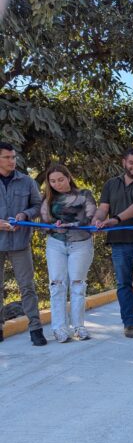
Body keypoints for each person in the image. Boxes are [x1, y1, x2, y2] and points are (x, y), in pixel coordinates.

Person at [92, 148, 133, 338]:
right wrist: (97, 220)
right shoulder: (111, 184)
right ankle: (129, 323)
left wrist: (116, 220)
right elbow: (103, 208)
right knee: (123, 284)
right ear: (124, 162)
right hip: (119, 242)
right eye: (132, 163)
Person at [40, 164, 97, 343]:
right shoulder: (48, 199)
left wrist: (71, 225)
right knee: (56, 284)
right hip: (56, 244)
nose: (57, 184)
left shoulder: (84, 195)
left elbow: (90, 217)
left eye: (61, 179)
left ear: (68, 177)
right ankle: (59, 328)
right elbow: (45, 221)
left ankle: (79, 327)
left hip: (80, 244)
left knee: (78, 284)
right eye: (53, 181)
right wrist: (53, 225)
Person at [0, 142, 46, 346]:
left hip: (20, 242)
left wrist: (24, 214)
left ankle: (35, 328)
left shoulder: (26, 181)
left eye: (13, 157)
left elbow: (38, 206)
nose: (12, 161)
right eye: (7, 157)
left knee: (27, 287)